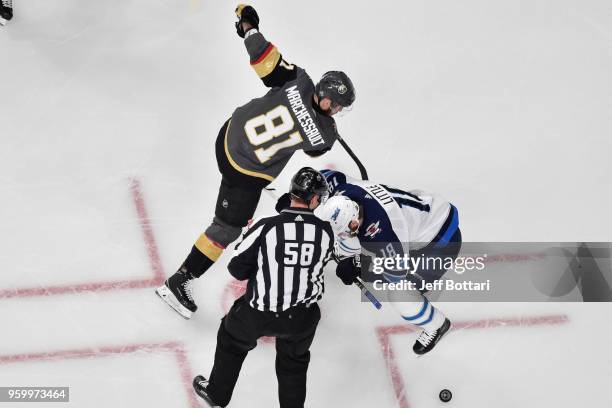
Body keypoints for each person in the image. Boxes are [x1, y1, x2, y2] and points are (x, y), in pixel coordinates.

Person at [156, 4, 356, 319]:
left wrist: (248, 26)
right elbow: (315, 151)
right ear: (328, 100)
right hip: (243, 170)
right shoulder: (324, 132)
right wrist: (329, 127)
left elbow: (262, 58)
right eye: (338, 106)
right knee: (227, 229)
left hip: (228, 135)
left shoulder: (299, 79)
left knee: (247, 182)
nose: (338, 112)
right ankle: (179, 281)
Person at [192, 167, 334, 408]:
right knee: (294, 361)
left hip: (258, 314)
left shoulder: (266, 226)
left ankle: (217, 394)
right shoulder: (326, 231)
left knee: (231, 340)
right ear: (312, 199)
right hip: (301, 319)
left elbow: (237, 269)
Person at [314, 169, 461, 355]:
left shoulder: (385, 235)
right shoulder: (346, 191)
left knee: (400, 295)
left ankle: (437, 325)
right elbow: (327, 176)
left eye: (347, 229)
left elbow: (394, 274)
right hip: (426, 209)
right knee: (352, 242)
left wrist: (360, 266)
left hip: (441, 243)